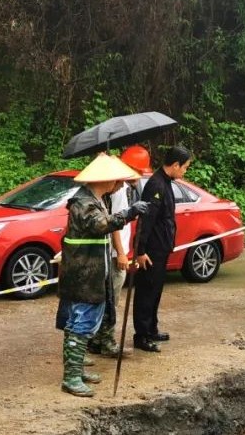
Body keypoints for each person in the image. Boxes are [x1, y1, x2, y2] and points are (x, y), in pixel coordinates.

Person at [58, 153, 148, 397]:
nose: (119, 184)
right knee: (80, 322)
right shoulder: (84, 203)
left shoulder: (96, 200)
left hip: (91, 271)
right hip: (84, 273)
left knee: (83, 322)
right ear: (105, 180)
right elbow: (101, 225)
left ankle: (76, 369)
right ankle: (71, 376)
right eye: (116, 179)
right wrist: (129, 213)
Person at [88, 145, 150, 356]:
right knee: (111, 299)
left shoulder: (124, 187)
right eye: (139, 171)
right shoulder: (119, 190)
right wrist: (121, 253)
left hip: (115, 250)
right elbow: (113, 223)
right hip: (114, 253)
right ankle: (105, 341)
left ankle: (97, 339)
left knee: (109, 298)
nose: (140, 176)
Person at [133, 145, 192, 353]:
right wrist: (140, 251)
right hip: (151, 250)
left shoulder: (167, 183)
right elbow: (146, 220)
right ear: (175, 165)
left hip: (162, 247)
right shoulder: (156, 185)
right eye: (184, 167)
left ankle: (151, 328)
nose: (185, 171)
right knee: (146, 292)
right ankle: (141, 335)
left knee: (156, 290)